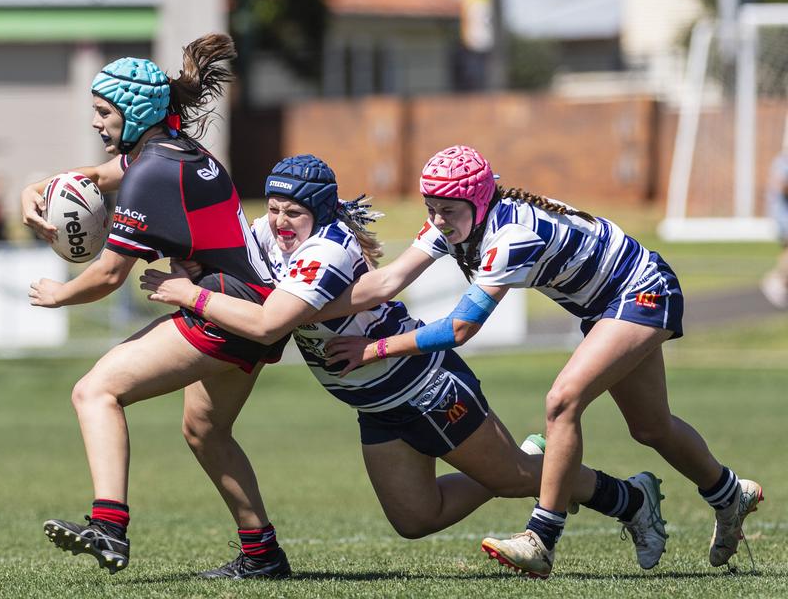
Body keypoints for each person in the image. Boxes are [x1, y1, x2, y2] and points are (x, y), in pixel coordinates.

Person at [141, 154, 666, 576]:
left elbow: (266, 323)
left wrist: (188, 293)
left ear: (319, 214)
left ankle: (627, 497)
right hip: (373, 403)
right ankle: (528, 461)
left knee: (513, 478)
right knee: (416, 519)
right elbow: (232, 253)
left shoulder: (326, 251)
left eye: (292, 212)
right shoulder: (269, 235)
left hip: (423, 387)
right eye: (274, 208)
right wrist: (186, 256)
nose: (279, 221)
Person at [321, 145, 763, 579]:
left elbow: (460, 328)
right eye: (431, 208)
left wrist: (376, 348)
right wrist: (298, 309)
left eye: (448, 211)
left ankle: (541, 539)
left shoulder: (512, 237)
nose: (438, 221)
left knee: (563, 401)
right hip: (605, 306)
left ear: (477, 201)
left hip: (643, 290)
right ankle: (728, 493)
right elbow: (389, 280)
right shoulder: (456, 221)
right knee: (650, 427)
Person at [21, 34, 292, 579]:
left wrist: (59, 294)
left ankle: (108, 526)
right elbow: (96, 176)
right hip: (251, 309)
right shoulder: (169, 152)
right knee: (205, 432)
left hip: (224, 311)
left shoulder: (154, 170)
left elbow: (108, 275)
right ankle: (263, 555)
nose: (96, 123)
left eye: (103, 112)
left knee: (95, 391)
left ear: (134, 109)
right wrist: (35, 188)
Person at [761, 147, 788, 308]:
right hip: (784, 217)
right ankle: (776, 280)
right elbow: (780, 185)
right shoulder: (783, 162)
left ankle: (780, 281)